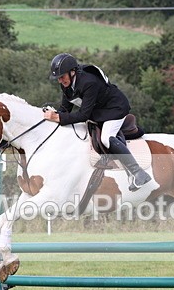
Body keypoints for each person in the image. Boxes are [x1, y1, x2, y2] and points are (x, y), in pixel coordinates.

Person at [42, 53, 152, 191]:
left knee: (106, 138)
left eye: (62, 76)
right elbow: (65, 108)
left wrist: (58, 118)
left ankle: (138, 173)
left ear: (72, 72)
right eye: (58, 78)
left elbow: (83, 115)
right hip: (98, 111)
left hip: (115, 109)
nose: (60, 81)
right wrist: (55, 115)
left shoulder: (89, 82)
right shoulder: (67, 83)